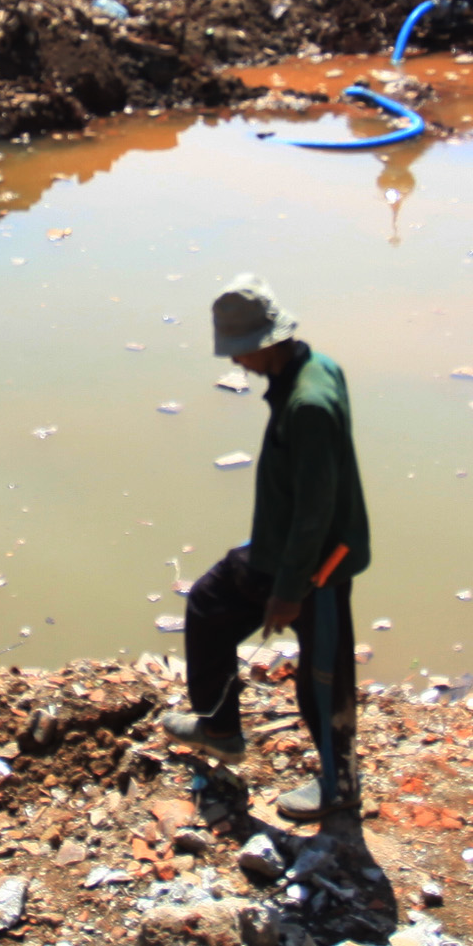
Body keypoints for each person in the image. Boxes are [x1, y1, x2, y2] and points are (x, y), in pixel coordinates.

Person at [163, 274, 372, 824]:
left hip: (316, 565)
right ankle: (219, 727)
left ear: (265, 343)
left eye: (240, 351)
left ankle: (341, 787)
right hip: (284, 548)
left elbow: (315, 511)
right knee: (208, 603)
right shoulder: (316, 368)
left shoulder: (308, 404)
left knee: (323, 679)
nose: (237, 362)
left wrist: (288, 591)